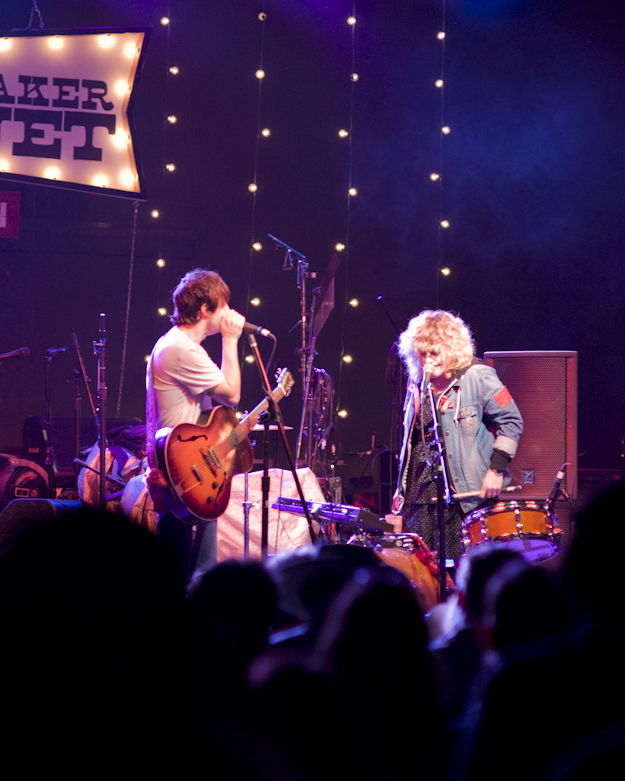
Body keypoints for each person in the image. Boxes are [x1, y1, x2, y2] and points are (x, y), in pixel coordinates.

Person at [391, 310, 523, 562]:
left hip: (464, 496)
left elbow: (512, 421)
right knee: (422, 568)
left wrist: (496, 470)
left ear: (451, 348)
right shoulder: (417, 385)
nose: (428, 360)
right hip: (420, 496)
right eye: (422, 354)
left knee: (462, 567)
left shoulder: (478, 376)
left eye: (434, 353)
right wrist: (401, 489)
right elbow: (411, 443)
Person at [145, 268, 245, 580]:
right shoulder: (183, 349)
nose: (228, 311)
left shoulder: (175, 343)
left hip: (194, 465)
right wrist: (230, 339)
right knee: (195, 572)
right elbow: (232, 394)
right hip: (186, 471)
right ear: (204, 309)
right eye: (223, 305)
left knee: (197, 570)